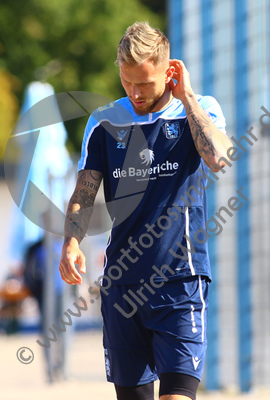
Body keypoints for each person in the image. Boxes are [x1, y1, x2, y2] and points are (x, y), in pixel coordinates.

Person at [59, 22, 232, 400]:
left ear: (169, 72)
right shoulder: (104, 122)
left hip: (180, 283)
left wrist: (185, 97)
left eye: (146, 83)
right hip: (122, 287)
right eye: (127, 82)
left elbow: (220, 157)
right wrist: (71, 241)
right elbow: (84, 192)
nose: (136, 93)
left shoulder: (199, 110)